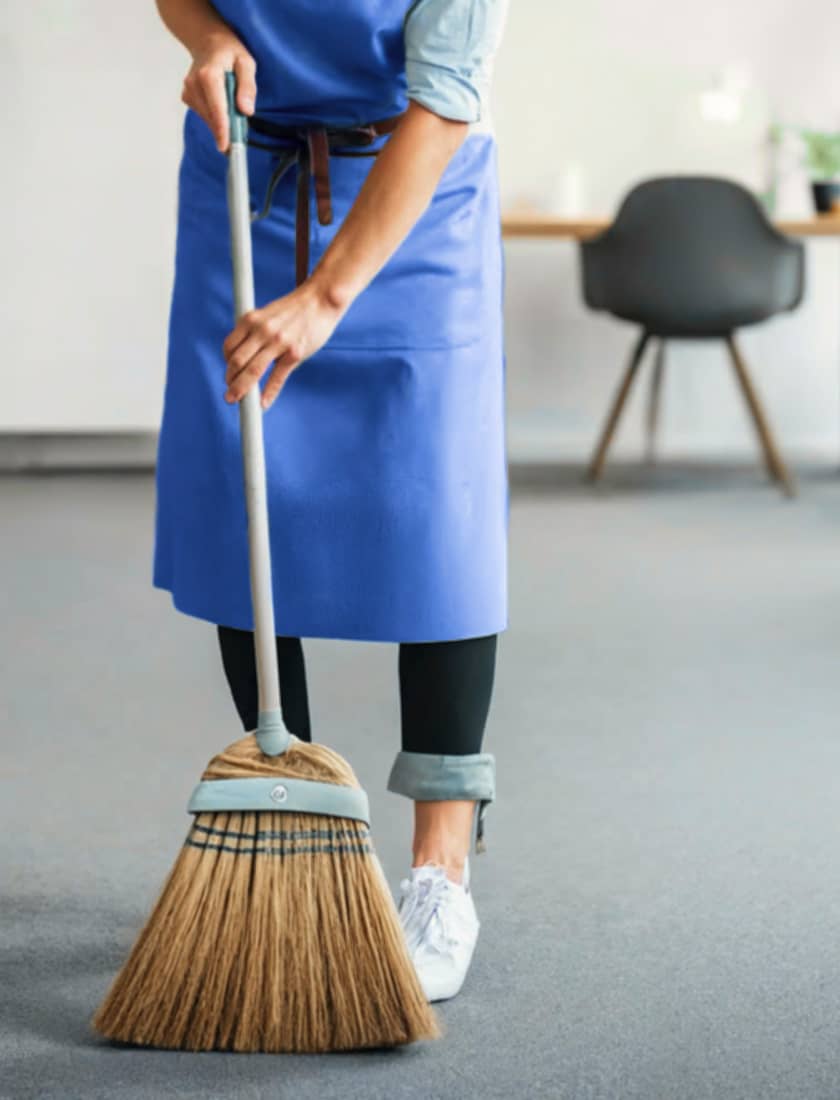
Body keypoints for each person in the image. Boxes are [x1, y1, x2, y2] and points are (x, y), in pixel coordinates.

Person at [153, 0, 509, 1002]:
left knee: (439, 521)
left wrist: (327, 295)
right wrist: (206, 38)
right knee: (245, 496)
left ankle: (442, 867)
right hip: (246, 182)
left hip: (415, 190)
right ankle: (299, 825)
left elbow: (443, 99)